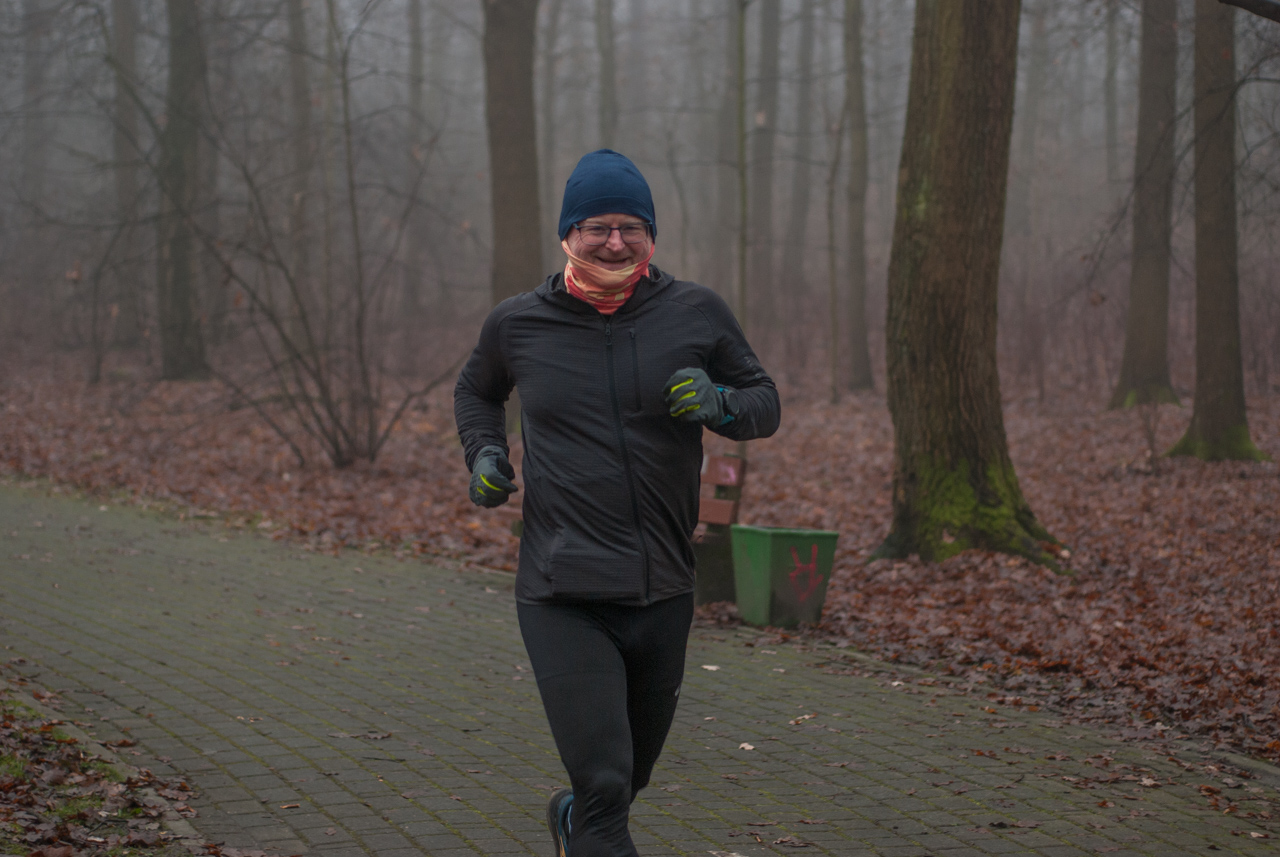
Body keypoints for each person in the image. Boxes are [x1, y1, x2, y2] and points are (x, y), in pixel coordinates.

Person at [454, 149, 780, 857]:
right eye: (598, 226)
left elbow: (765, 401)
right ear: (569, 234)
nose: (614, 241)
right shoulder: (519, 324)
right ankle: (590, 816)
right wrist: (482, 453)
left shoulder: (695, 311)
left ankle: (574, 817)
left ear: (651, 236)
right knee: (606, 783)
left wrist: (721, 400)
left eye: (631, 227)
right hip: (562, 588)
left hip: (663, 586)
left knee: (627, 778)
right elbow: (477, 391)